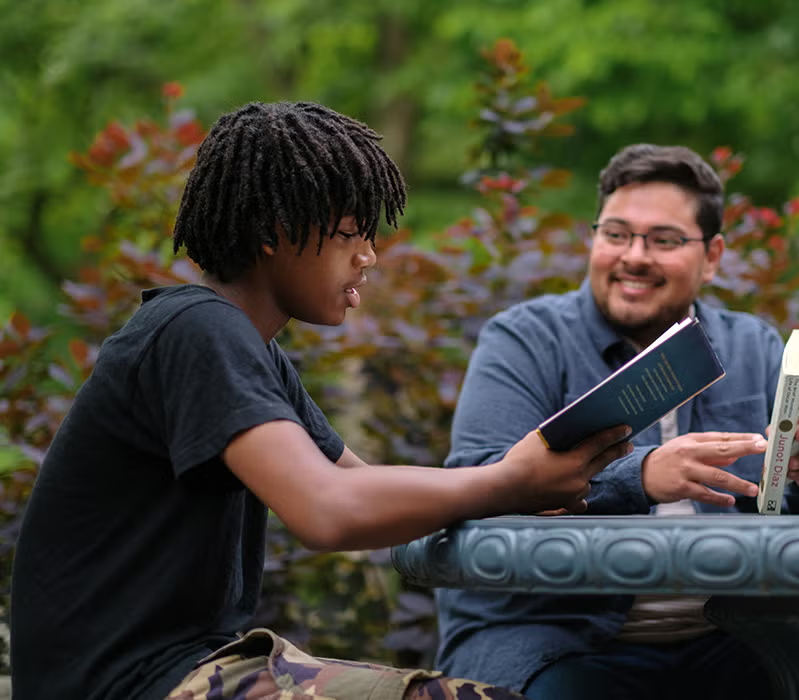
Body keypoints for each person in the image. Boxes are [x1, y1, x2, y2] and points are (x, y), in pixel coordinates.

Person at [9, 101, 635, 700]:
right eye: (346, 234)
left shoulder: (250, 349)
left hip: (186, 670)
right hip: (128, 685)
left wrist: (527, 488)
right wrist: (504, 482)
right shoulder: (196, 329)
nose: (368, 256)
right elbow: (327, 511)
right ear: (270, 234)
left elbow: (362, 486)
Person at [434, 144, 799, 700]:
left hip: (729, 637)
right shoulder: (524, 341)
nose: (633, 256)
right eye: (615, 234)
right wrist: (634, 478)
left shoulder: (751, 345)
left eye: (663, 240)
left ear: (712, 257)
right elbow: (475, 484)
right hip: (555, 637)